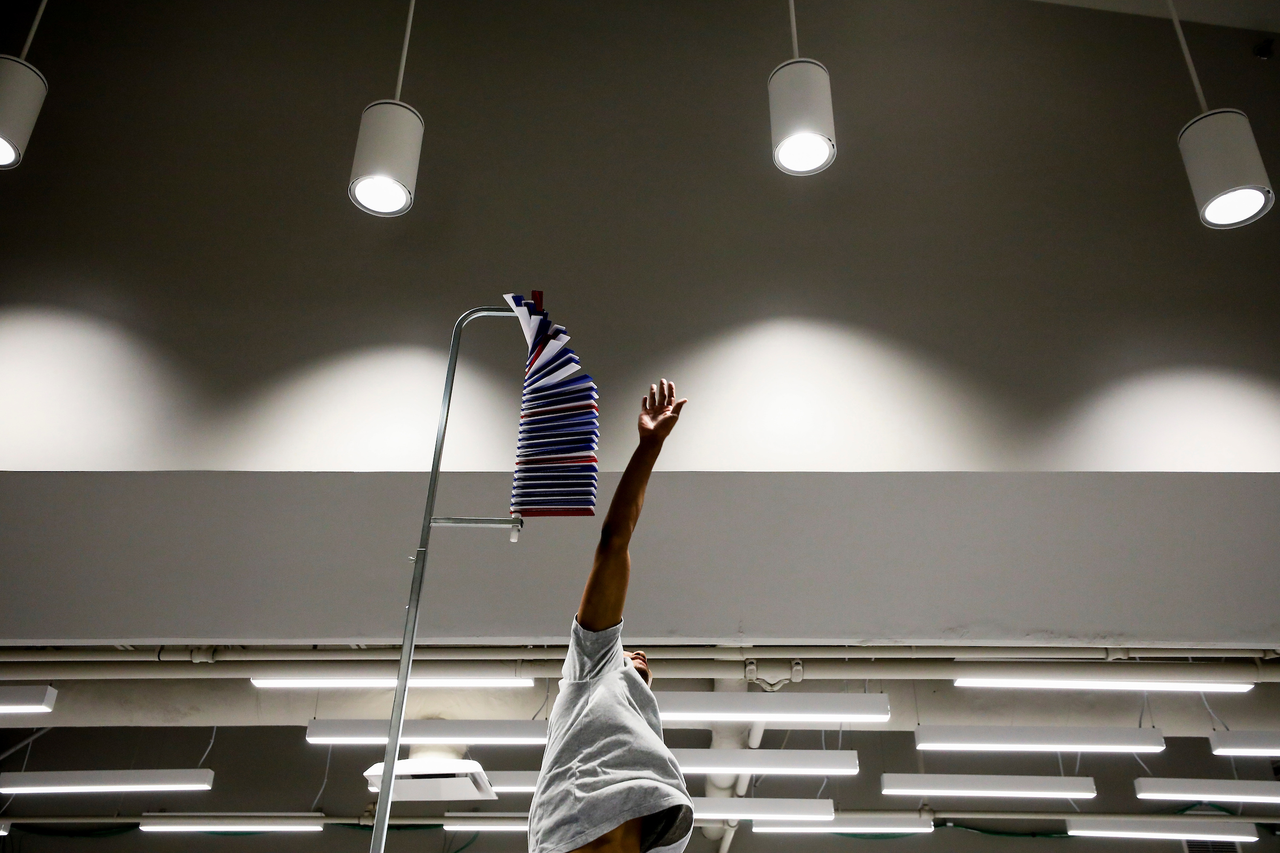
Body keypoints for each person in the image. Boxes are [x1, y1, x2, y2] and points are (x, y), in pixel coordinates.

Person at [528, 379, 693, 853]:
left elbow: (614, 542)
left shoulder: (600, 677)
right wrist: (649, 448)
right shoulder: (596, 674)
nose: (638, 653)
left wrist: (651, 444)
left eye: (633, 653)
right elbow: (613, 543)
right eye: (631, 653)